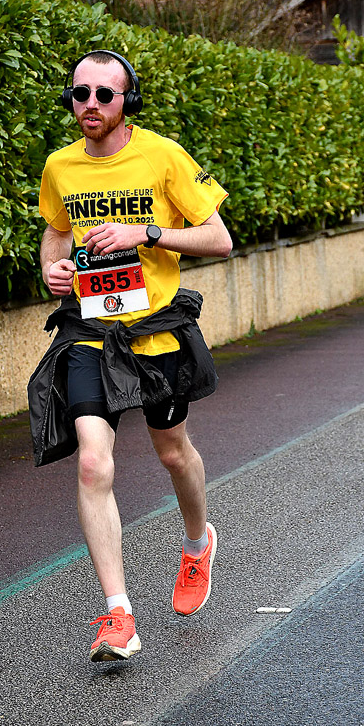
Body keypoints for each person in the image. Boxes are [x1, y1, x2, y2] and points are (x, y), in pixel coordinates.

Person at [33, 49, 232, 662]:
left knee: (173, 452)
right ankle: (119, 615)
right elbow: (56, 231)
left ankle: (197, 544)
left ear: (127, 101)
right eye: (80, 93)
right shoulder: (60, 166)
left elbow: (219, 239)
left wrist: (143, 232)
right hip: (90, 333)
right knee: (94, 464)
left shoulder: (163, 155)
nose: (90, 104)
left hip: (155, 333)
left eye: (104, 94)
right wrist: (52, 270)